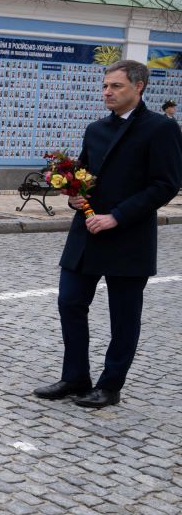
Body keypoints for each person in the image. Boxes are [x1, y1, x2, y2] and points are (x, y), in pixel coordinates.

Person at [34, 60, 182, 408]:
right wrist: (74, 196)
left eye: (115, 86)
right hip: (86, 233)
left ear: (139, 86)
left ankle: (110, 385)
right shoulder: (95, 129)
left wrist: (117, 216)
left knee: (124, 315)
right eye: (105, 86)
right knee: (69, 302)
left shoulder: (161, 128)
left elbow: (166, 184)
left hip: (128, 236)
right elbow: (84, 174)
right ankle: (75, 377)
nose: (107, 92)